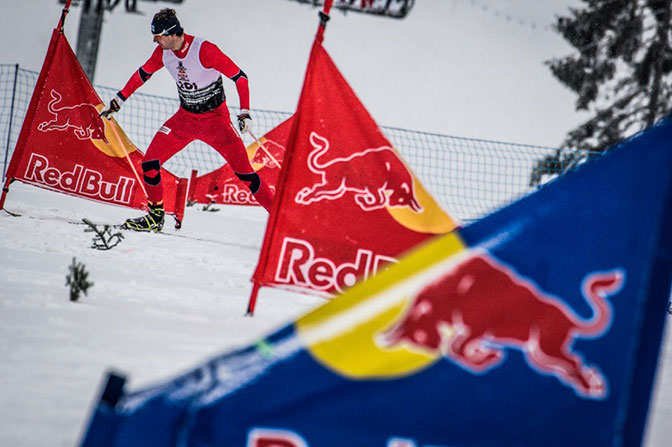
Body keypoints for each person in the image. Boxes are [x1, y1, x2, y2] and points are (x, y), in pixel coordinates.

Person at [100, 8, 274, 232]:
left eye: (158, 36)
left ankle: (282, 222)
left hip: (217, 123)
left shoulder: (205, 50)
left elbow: (240, 77)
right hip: (185, 120)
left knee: (246, 174)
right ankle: (155, 217)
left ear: (172, 34)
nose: (155, 40)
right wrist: (118, 100)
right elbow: (142, 74)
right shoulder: (163, 53)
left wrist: (244, 112)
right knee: (150, 164)